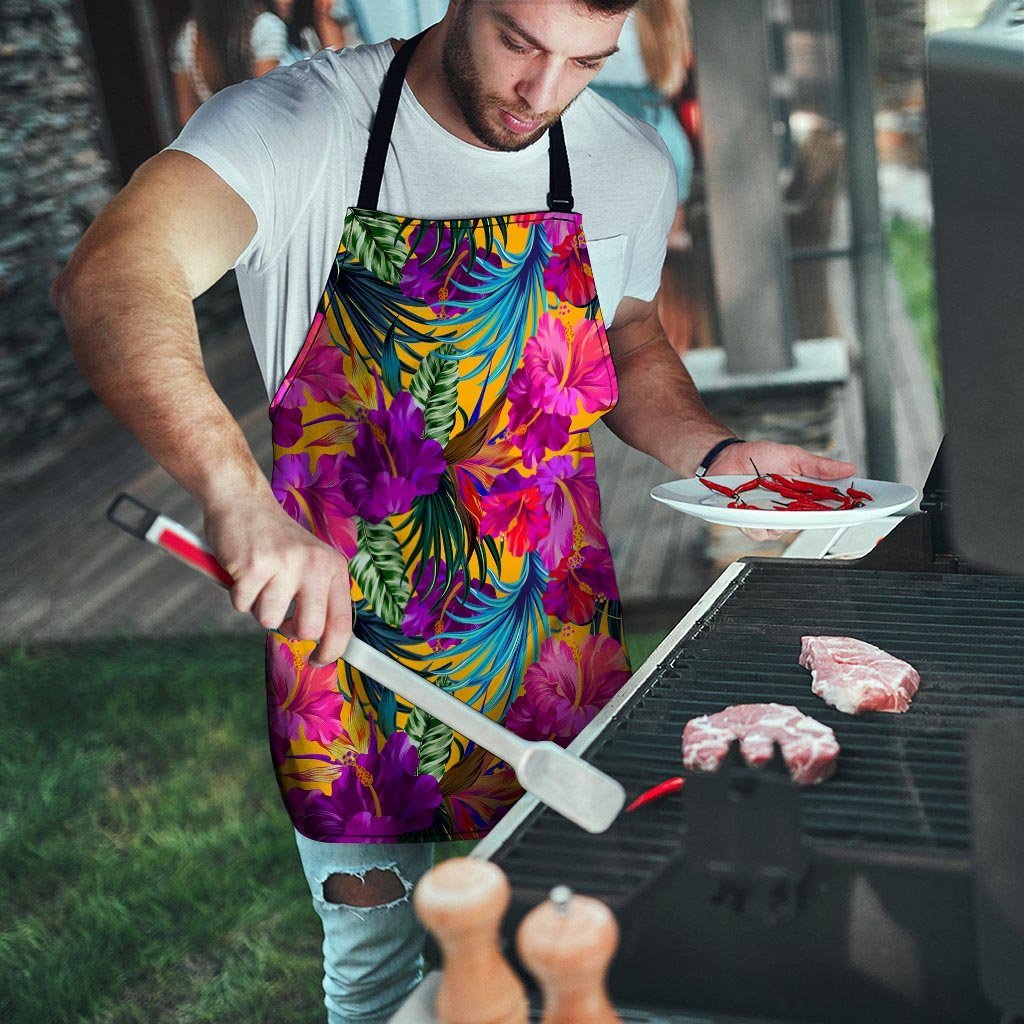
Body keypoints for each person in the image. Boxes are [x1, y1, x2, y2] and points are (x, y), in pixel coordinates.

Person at [52, 2, 856, 1020]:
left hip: (551, 640)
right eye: (520, 43)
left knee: (577, 951)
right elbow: (112, 275)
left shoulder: (625, 160)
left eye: (585, 62)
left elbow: (630, 334)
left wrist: (717, 449)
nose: (543, 92)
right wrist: (236, 496)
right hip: (348, 659)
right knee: (380, 978)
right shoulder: (298, 125)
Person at [170, 0, 289, 126]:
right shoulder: (265, 27)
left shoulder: (187, 36)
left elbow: (186, 118)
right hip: (264, 136)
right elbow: (266, 105)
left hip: (215, 138)